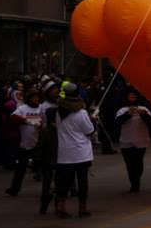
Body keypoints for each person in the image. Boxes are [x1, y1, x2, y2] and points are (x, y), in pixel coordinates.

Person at [54, 81, 94, 218]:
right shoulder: (81, 113)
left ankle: (61, 207)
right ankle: (82, 208)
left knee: (64, 182)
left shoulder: (58, 112)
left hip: (64, 154)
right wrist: (92, 119)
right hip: (81, 153)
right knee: (82, 182)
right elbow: (89, 130)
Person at [6, 89, 44, 197]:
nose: (36, 99)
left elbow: (43, 122)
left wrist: (37, 122)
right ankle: (14, 189)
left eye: (37, 97)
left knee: (44, 167)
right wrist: (30, 121)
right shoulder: (23, 108)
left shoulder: (41, 108)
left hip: (38, 143)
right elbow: (13, 117)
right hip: (24, 143)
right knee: (20, 168)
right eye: (34, 97)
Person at [115, 89, 151, 192]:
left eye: (134, 96)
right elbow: (118, 122)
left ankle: (137, 181)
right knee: (129, 164)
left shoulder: (144, 109)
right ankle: (133, 182)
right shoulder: (122, 110)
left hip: (141, 140)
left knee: (138, 162)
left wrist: (143, 114)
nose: (132, 98)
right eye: (130, 96)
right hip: (126, 141)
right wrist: (128, 114)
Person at [37, 81, 59, 215]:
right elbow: (41, 144)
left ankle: (56, 202)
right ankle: (45, 199)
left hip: (58, 155)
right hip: (49, 157)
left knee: (59, 180)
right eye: (53, 89)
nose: (56, 91)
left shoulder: (60, 104)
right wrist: (38, 158)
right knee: (47, 180)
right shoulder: (43, 107)